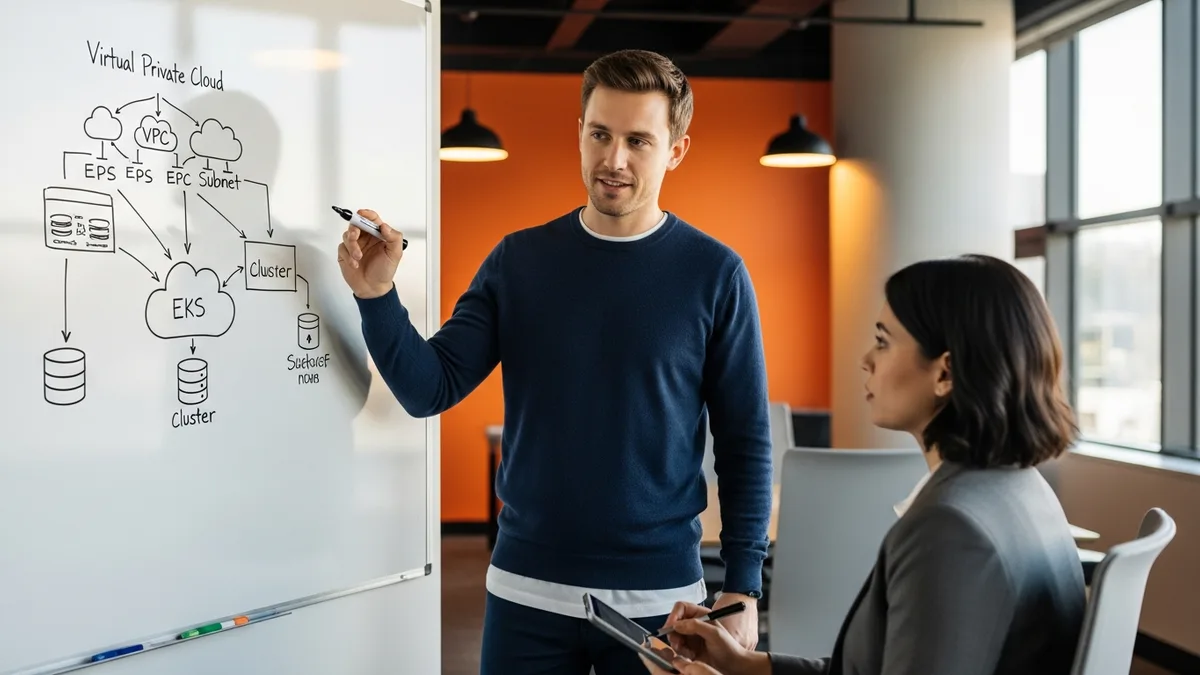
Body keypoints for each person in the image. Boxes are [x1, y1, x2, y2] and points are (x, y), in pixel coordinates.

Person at [336, 49, 773, 673]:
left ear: (675, 150)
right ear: (580, 132)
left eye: (638, 141)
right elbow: (428, 388)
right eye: (599, 134)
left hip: (662, 603)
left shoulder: (716, 274)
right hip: (526, 589)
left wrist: (744, 585)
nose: (613, 159)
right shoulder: (519, 262)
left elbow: (745, 440)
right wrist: (377, 297)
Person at [644, 254, 1087, 675]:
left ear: (945, 373)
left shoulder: (951, 529)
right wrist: (746, 666)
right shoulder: (1022, 492)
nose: (866, 360)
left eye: (882, 341)